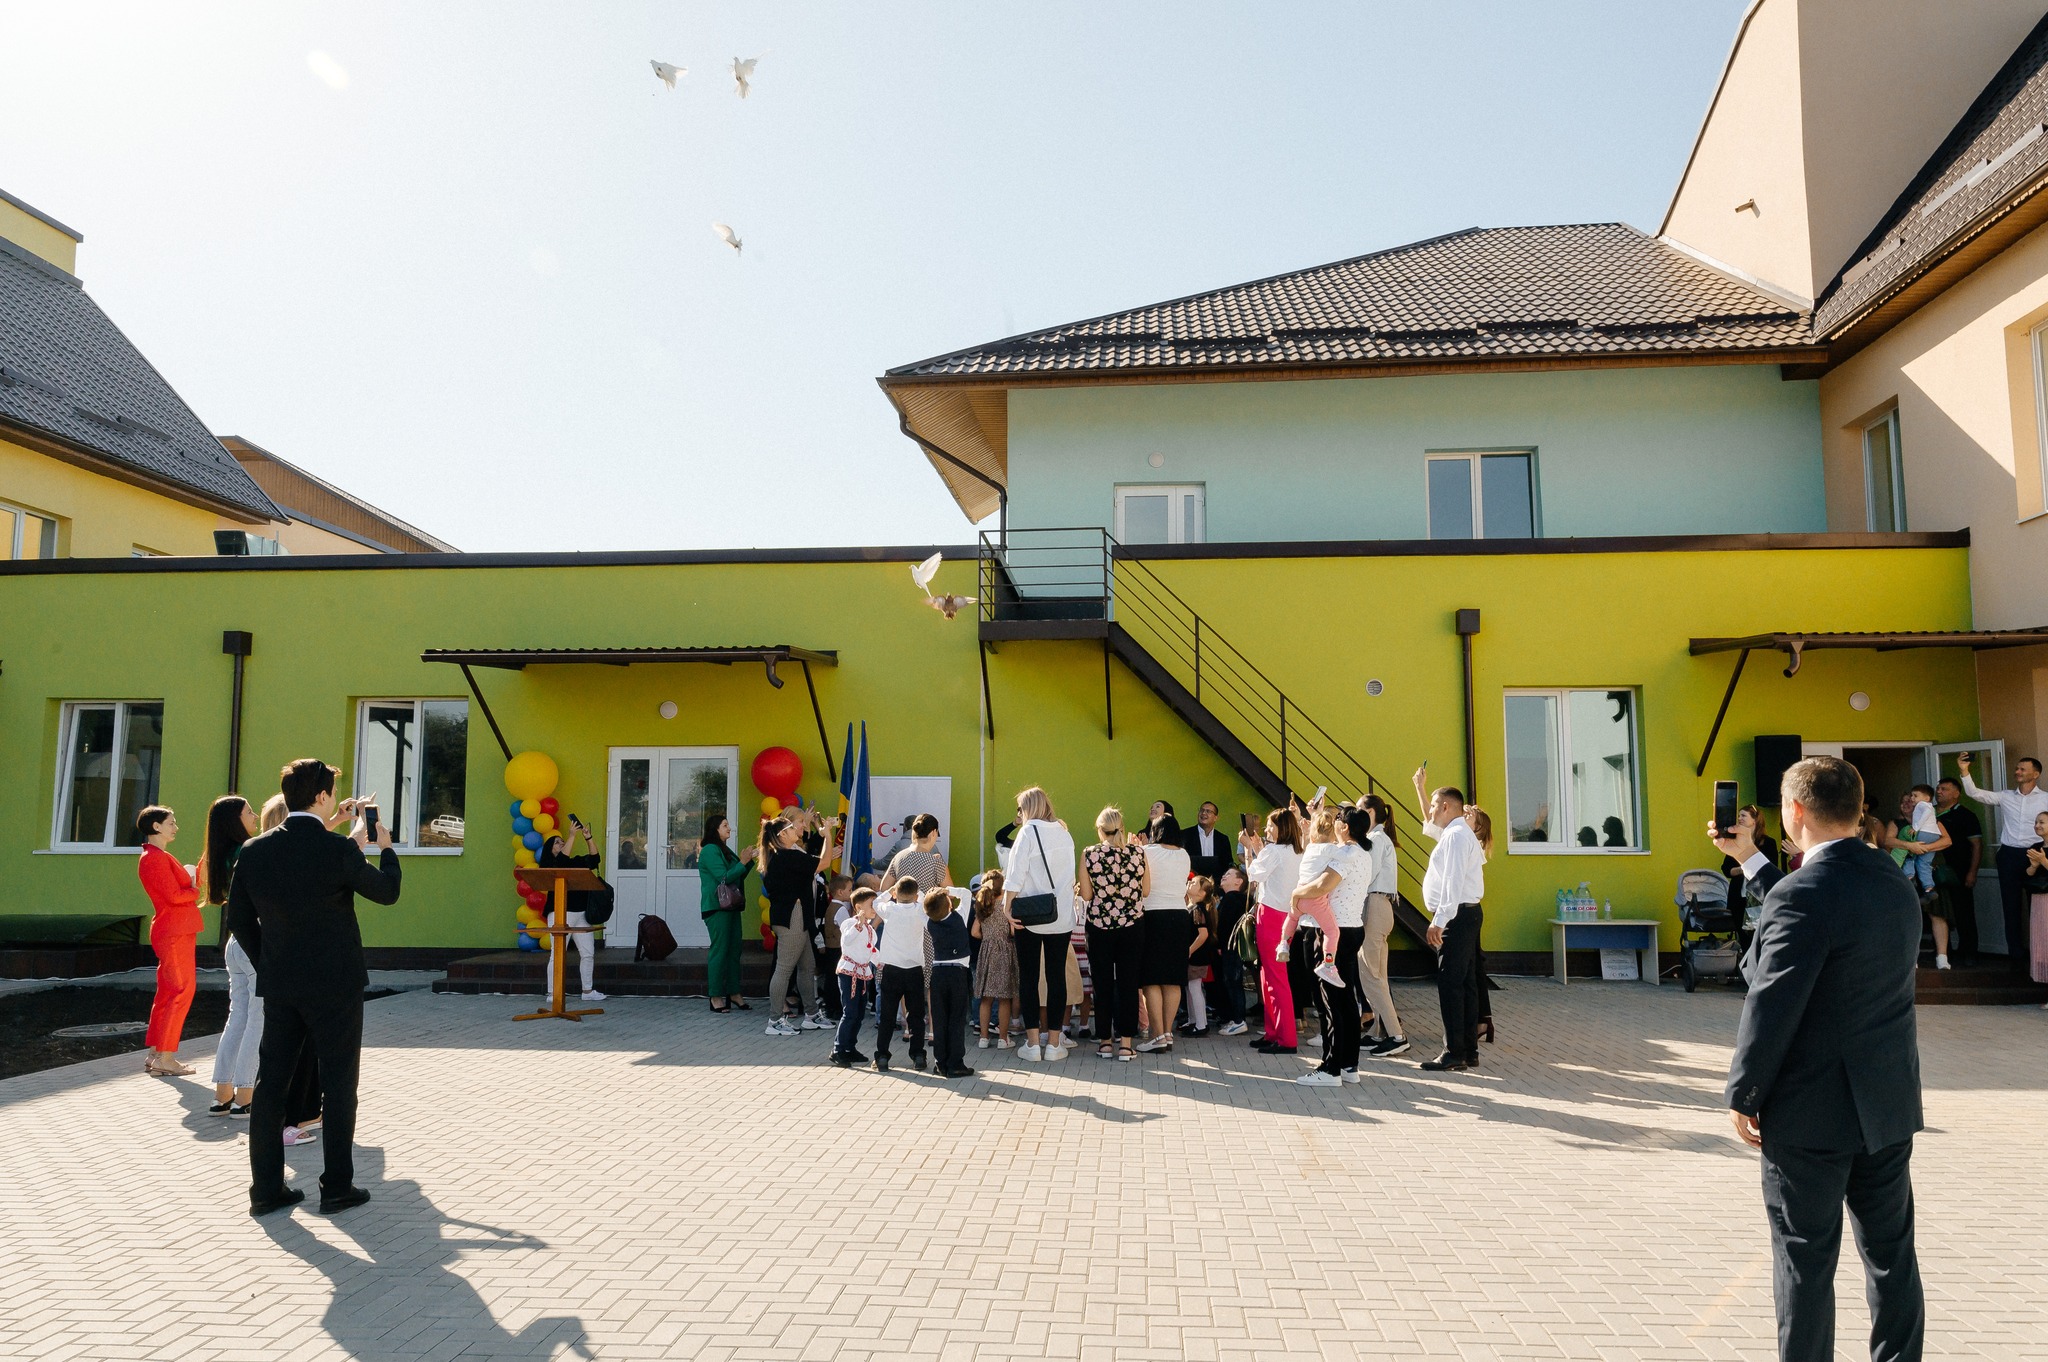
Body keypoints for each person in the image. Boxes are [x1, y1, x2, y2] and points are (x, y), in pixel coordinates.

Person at [1712, 755, 1925, 1362]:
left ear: (1795, 810)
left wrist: (1745, 1093)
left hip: (1811, 1111)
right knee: (1892, 1258)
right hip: (1887, 1103)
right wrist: (1751, 861)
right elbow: (1817, 921)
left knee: (1804, 1261)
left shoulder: (1802, 893)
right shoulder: (1893, 881)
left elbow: (1770, 999)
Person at [227, 758, 402, 1217]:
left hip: (281, 984)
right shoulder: (336, 849)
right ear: (322, 797)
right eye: (332, 794)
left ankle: (266, 1190)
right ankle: (337, 1188)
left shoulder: (254, 850)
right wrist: (386, 849)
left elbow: (239, 919)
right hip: (336, 984)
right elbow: (387, 892)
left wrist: (270, 962)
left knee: (271, 1085)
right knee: (339, 1085)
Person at [1412, 764, 1484, 1073]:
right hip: (1465, 914)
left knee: (1451, 984)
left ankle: (1454, 1052)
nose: (1429, 811)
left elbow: (1453, 882)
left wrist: (1439, 920)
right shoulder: (1457, 833)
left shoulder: (1456, 836)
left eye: (1433, 806)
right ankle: (1467, 1050)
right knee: (1465, 984)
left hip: (1456, 916)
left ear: (1445, 806)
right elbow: (1430, 827)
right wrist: (1420, 788)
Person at [1293, 809, 1371, 1087]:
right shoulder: (1361, 852)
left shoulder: (1345, 854)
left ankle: (1330, 1068)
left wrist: (1296, 893)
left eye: (1338, 819)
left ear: (1345, 827)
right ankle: (1349, 1064)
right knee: (1346, 999)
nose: (1334, 822)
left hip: (1329, 933)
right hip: (1350, 928)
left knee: (1328, 1001)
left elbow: (1322, 886)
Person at [1002, 786, 1077, 1062]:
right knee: (1057, 978)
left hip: (1030, 915)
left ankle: (1033, 1044)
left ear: (1028, 808)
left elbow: (1015, 874)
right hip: (1060, 915)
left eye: (1020, 808)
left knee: (1029, 978)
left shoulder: (1027, 832)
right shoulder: (1064, 832)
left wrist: (1006, 907)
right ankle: (1055, 1043)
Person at [198, 795, 262, 1114]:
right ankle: (245, 1093)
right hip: (254, 942)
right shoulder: (246, 852)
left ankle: (222, 1092)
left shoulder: (220, 854)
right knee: (257, 1020)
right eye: (249, 812)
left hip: (235, 944)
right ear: (235, 821)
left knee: (237, 1017)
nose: (255, 816)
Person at [1958, 751, 2048, 974]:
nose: (2017, 771)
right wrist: (1964, 771)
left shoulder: (2045, 799)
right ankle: (2016, 957)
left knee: (2038, 907)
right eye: (2017, 768)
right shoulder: (2006, 796)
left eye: (2022, 769)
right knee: (2010, 906)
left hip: (2036, 853)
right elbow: (1975, 793)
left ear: (2035, 774)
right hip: (2009, 855)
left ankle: (2039, 958)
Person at [135, 805, 202, 1079]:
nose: (175, 828)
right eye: (171, 823)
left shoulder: (157, 856)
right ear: (156, 826)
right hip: (174, 931)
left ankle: (156, 1054)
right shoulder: (154, 858)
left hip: (173, 930)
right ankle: (166, 1057)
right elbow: (174, 896)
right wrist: (194, 891)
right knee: (181, 990)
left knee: (167, 992)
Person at [757, 814, 836, 1036]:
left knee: (807, 966)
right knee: (784, 969)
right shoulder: (787, 856)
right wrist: (827, 835)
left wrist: (824, 836)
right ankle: (774, 1020)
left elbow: (817, 862)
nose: (796, 830)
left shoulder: (785, 855)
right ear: (782, 835)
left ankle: (811, 1015)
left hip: (797, 917)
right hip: (792, 917)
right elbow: (824, 863)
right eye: (792, 827)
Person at [1076, 808, 1145, 1061]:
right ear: (1122, 827)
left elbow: (1086, 895)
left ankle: (1105, 1042)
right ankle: (1126, 1044)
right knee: (1129, 984)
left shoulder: (1089, 853)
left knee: (1102, 984)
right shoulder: (1138, 853)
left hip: (1100, 925)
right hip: (1132, 925)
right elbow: (1146, 890)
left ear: (1100, 829)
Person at [1239, 808, 1303, 1055]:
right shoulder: (1295, 851)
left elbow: (1253, 874)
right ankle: (1274, 1032)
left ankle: (1286, 1038)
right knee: (1269, 975)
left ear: (1281, 828)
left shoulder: (1275, 850)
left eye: (1270, 825)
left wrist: (1250, 849)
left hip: (1272, 915)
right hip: (1287, 915)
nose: (1266, 829)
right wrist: (1259, 850)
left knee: (1275, 977)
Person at [1354, 797, 1407, 1057]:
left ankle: (1396, 1035)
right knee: (1376, 974)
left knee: (1371, 974)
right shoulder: (1379, 838)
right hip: (1378, 905)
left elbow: (1367, 874)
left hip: (1375, 905)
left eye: (1359, 809)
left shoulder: (1375, 839)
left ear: (1370, 812)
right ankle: (1378, 1031)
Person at [537, 815, 608, 1003]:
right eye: (557, 843)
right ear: (550, 849)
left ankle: (587, 991)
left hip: (581, 913)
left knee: (588, 952)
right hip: (560, 912)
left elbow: (595, 859)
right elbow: (561, 862)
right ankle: (553, 993)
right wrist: (571, 836)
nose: (561, 844)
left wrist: (588, 837)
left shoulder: (574, 861)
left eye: (562, 841)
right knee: (557, 954)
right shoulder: (549, 864)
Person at [1136, 819, 1193, 1053]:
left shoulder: (1146, 851)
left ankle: (1157, 1034)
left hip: (1152, 915)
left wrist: (1137, 848)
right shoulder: (1184, 855)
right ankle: (1167, 1033)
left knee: (1151, 978)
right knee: (1172, 978)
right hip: (1179, 915)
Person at [1283, 804, 1347, 990]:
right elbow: (1348, 855)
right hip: (1315, 899)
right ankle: (1328, 964)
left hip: (1299, 895)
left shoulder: (1310, 847)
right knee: (1332, 932)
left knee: (1292, 918)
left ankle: (1283, 944)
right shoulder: (1330, 849)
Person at [697, 814, 754, 1013]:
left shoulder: (724, 849)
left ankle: (734, 992)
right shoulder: (710, 850)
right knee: (720, 951)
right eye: (725, 825)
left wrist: (748, 860)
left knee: (734, 950)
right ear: (715, 829)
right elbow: (724, 877)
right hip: (717, 907)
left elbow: (738, 875)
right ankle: (715, 996)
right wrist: (743, 862)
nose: (729, 828)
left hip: (731, 906)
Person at [872, 876, 930, 1072]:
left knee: (887, 1015)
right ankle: (918, 1055)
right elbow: (924, 901)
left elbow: (876, 902)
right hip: (914, 969)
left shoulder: (889, 909)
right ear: (915, 895)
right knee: (916, 1015)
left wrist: (890, 892)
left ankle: (882, 1056)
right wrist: (919, 894)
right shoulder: (920, 910)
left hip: (892, 969)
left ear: (896, 894)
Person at [925, 887, 975, 1078]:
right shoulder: (959, 917)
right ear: (948, 905)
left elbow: (923, 903)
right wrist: (947, 889)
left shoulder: (929, 921)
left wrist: (931, 896)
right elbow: (966, 894)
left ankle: (940, 1062)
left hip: (938, 972)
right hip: (957, 972)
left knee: (939, 1019)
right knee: (956, 1019)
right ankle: (955, 1063)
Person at [1932, 777, 1982, 966]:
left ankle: (1969, 952)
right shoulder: (1928, 813)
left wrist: (1972, 872)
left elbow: (1976, 845)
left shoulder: (1966, 815)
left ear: (1956, 793)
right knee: (1938, 911)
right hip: (1934, 871)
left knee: (1963, 912)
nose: (1939, 791)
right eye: (1938, 788)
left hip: (1959, 871)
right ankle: (1943, 952)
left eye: (1944, 789)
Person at [829, 887, 878, 1066]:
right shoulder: (850, 923)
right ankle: (838, 1049)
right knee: (849, 1012)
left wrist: (882, 963)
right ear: (858, 907)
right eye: (871, 905)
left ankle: (850, 1047)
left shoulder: (870, 930)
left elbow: (871, 950)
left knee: (858, 1013)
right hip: (849, 972)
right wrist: (859, 923)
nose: (875, 908)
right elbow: (847, 940)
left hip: (863, 973)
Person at [971, 871, 1017, 1049]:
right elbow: (1012, 931)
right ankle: (1003, 1039)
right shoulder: (1006, 906)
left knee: (986, 998)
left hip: (987, 952)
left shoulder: (983, 905)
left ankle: (983, 1038)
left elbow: (974, 932)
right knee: (1004, 998)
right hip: (1005, 951)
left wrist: (988, 938)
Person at [1210, 865, 1251, 1037]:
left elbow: (1225, 925)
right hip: (1232, 948)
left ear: (1238, 881)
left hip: (1230, 948)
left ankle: (1238, 1020)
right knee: (1232, 982)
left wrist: (1220, 945)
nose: (1224, 876)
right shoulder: (1238, 899)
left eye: (1229, 874)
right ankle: (1235, 1018)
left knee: (1233, 982)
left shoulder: (1232, 899)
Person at [1721, 805, 1779, 906]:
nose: (1739, 818)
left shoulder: (1768, 842)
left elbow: (1772, 867)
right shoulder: (1735, 841)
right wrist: (1743, 869)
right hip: (1738, 895)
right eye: (1739, 816)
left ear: (1754, 820)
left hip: (1760, 894)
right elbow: (1726, 869)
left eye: (1743, 815)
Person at [1182, 877, 1217, 1037]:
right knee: (1190, 987)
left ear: (1202, 893)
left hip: (1197, 956)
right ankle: (1193, 1020)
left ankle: (1201, 1024)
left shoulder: (1198, 910)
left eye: (1194, 883)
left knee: (1194, 987)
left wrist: (1189, 950)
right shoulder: (1194, 908)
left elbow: (1203, 934)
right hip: (1195, 955)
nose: (1189, 883)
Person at [882, 813, 952, 894]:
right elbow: (951, 894)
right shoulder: (936, 862)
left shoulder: (898, 856)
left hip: (901, 901)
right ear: (933, 833)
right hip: (926, 902)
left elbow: (884, 888)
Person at [1181, 801, 1234, 882]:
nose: (1204, 813)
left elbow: (1228, 863)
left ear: (1215, 818)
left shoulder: (1223, 839)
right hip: (1191, 882)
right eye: (1201, 810)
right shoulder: (1185, 835)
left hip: (1216, 883)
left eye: (1208, 811)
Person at [2024, 812, 2048, 990]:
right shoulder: (2036, 847)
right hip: (2039, 900)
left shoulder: (2040, 853)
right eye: (2036, 822)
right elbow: (2028, 874)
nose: (2037, 825)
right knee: (2042, 944)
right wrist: (2033, 866)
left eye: (2042, 822)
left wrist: (2043, 860)